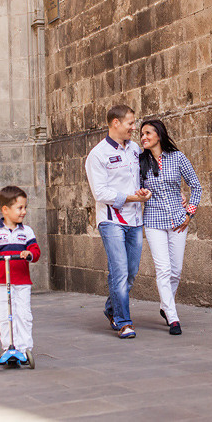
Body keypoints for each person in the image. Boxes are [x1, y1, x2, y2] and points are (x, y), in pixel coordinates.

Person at [85, 104, 151, 339]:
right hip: (112, 221)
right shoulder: (98, 154)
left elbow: (145, 176)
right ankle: (123, 322)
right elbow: (100, 193)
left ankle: (111, 308)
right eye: (130, 123)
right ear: (116, 123)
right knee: (119, 270)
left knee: (131, 271)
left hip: (135, 220)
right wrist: (133, 197)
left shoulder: (134, 149)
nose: (134, 127)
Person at [139, 119, 202, 335]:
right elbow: (135, 188)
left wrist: (189, 213)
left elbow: (196, 186)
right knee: (163, 270)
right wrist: (141, 194)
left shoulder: (177, 157)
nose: (144, 137)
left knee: (176, 271)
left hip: (178, 220)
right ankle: (173, 318)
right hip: (154, 221)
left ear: (159, 135)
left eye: (148, 133)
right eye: (142, 134)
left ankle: (165, 306)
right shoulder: (140, 162)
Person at [0, 186, 41, 354]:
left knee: (24, 315)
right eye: (20, 208)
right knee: (5, 316)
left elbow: (36, 252)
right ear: (5, 210)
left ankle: (24, 348)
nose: (24, 211)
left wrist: (29, 253)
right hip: (1, 283)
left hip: (22, 282)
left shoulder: (26, 232)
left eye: (25, 207)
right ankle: (8, 347)